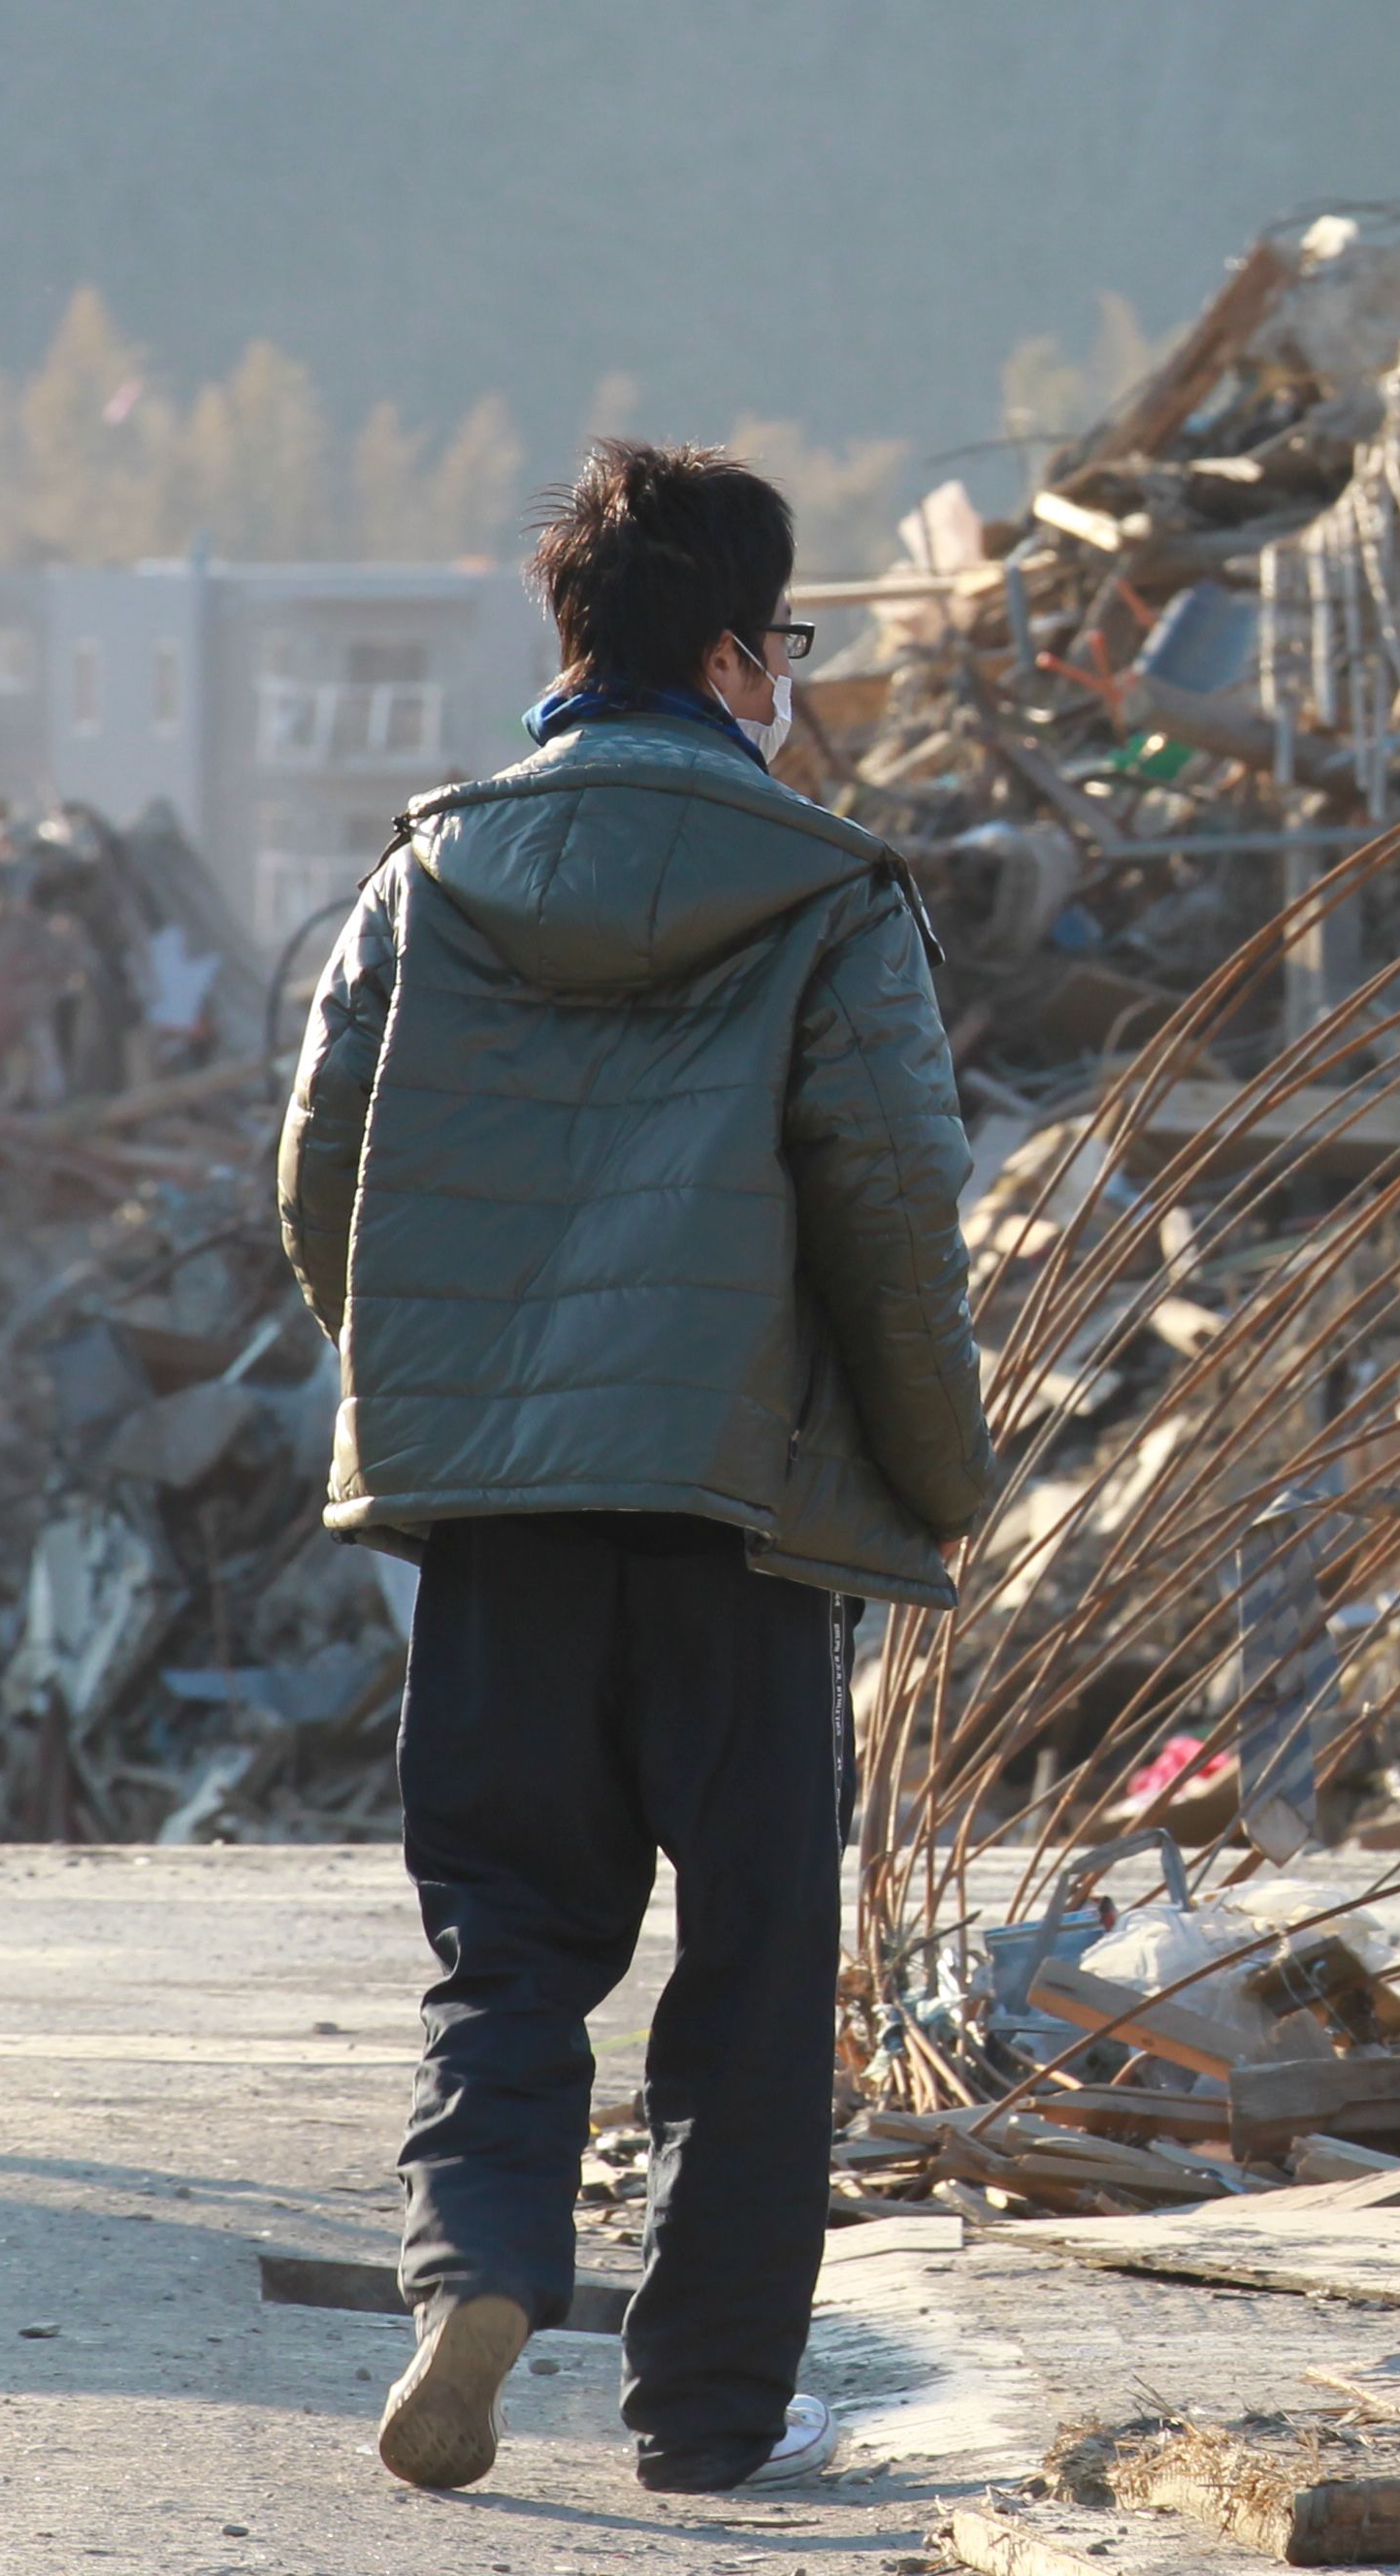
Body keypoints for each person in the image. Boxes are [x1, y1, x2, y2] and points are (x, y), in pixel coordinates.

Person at [278, 439, 997, 2497]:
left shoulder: (426, 878)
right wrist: (939, 1477)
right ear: (726, 651)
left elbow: (321, 1178)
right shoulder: (834, 897)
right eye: (787, 640)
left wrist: (449, 1389)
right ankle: (703, 2415)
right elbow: (890, 1205)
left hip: (504, 1524)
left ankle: (481, 2271)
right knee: (756, 1976)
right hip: (745, 1525)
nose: (794, 672)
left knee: (504, 1935)